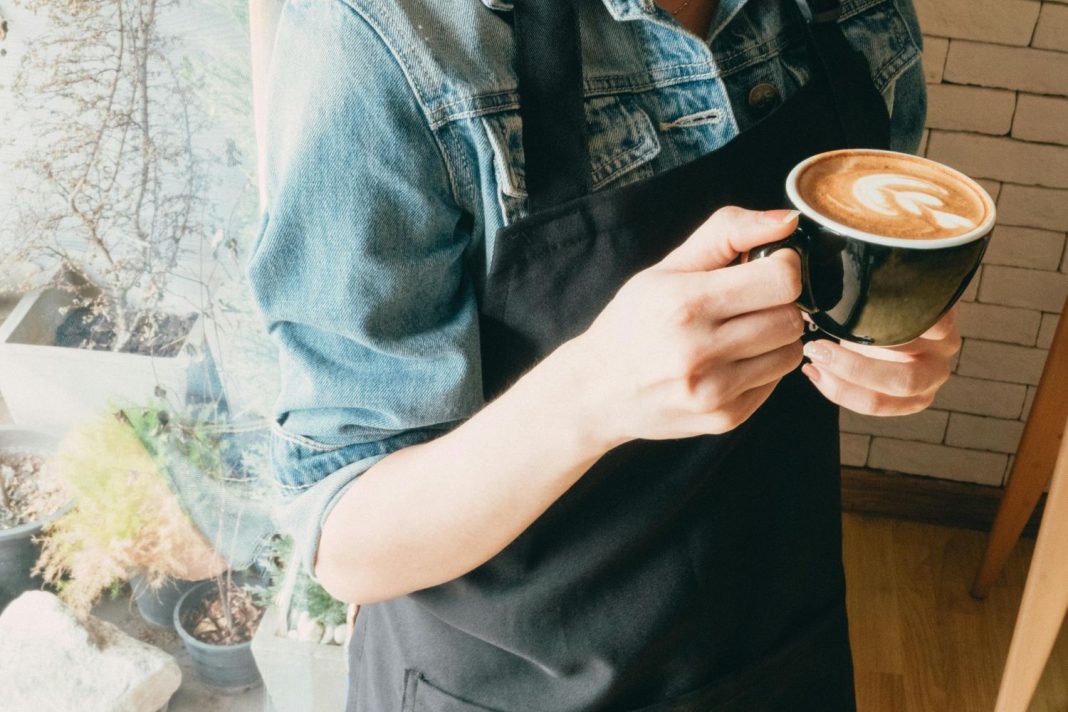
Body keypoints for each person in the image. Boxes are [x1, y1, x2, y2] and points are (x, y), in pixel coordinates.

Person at [247, 0, 958, 709]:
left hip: (777, 648)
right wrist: (591, 395)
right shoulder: (385, 34)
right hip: (511, 686)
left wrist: (895, 335)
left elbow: (869, 255)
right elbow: (346, 541)